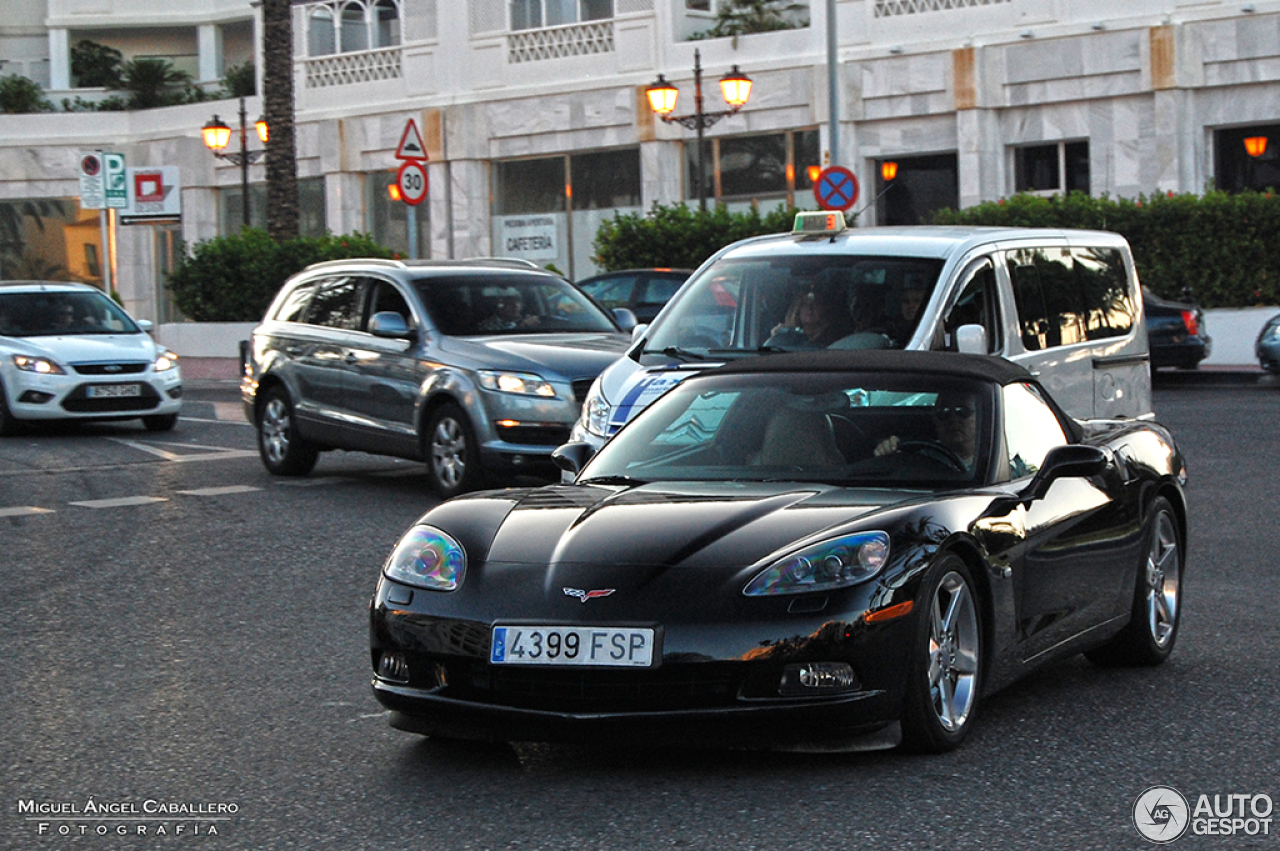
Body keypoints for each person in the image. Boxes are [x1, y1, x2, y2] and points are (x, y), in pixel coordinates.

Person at [874, 389, 980, 471]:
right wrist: (889, 454)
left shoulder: (991, 460)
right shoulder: (919, 458)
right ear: (935, 420)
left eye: (962, 411)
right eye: (943, 412)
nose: (953, 419)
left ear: (980, 417)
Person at [768, 285, 854, 348]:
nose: (810, 309)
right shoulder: (787, 335)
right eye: (804, 304)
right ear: (797, 309)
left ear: (824, 308)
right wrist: (777, 338)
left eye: (815, 304)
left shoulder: (833, 336)